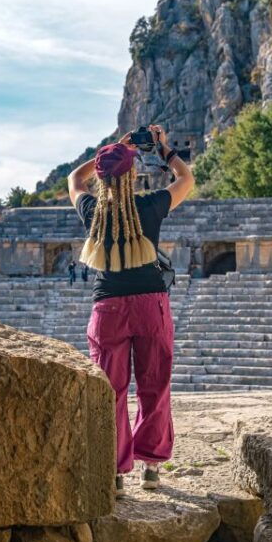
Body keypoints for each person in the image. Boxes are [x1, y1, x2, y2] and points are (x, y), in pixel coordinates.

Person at [68, 124, 194, 497]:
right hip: (150, 305)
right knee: (155, 385)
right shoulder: (149, 206)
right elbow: (186, 179)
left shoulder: (92, 210)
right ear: (134, 174)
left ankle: (116, 471)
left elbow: (74, 179)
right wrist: (166, 150)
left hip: (108, 308)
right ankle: (151, 467)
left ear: (103, 178)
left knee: (112, 390)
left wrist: (112, 151)